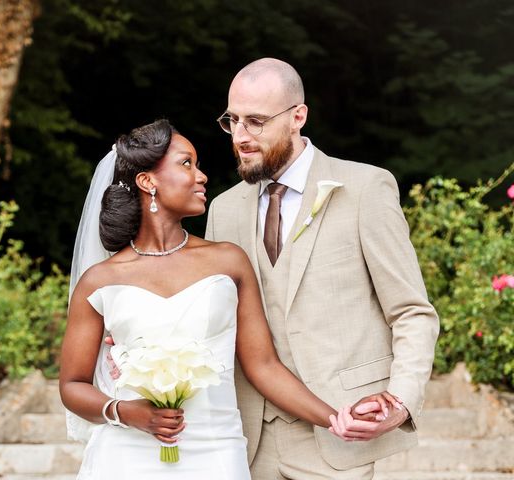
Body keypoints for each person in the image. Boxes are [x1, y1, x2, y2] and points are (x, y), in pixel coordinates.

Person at [60, 119, 360, 480]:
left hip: (217, 451)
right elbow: (72, 385)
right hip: (126, 455)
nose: (201, 176)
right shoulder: (100, 280)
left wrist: (335, 418)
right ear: (147, 181)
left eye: (198, 165)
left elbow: (263, 365)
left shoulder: (228, 261)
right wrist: (125, 411)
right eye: (186, 164)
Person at [205, 57, 440, 479]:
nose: (241, 136)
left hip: (340, 430)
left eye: (256, 121)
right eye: (232, 120)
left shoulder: (365, 189)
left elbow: (411, 312)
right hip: (246, 439)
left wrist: (400, 400)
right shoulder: (223, 210)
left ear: (298, 116)